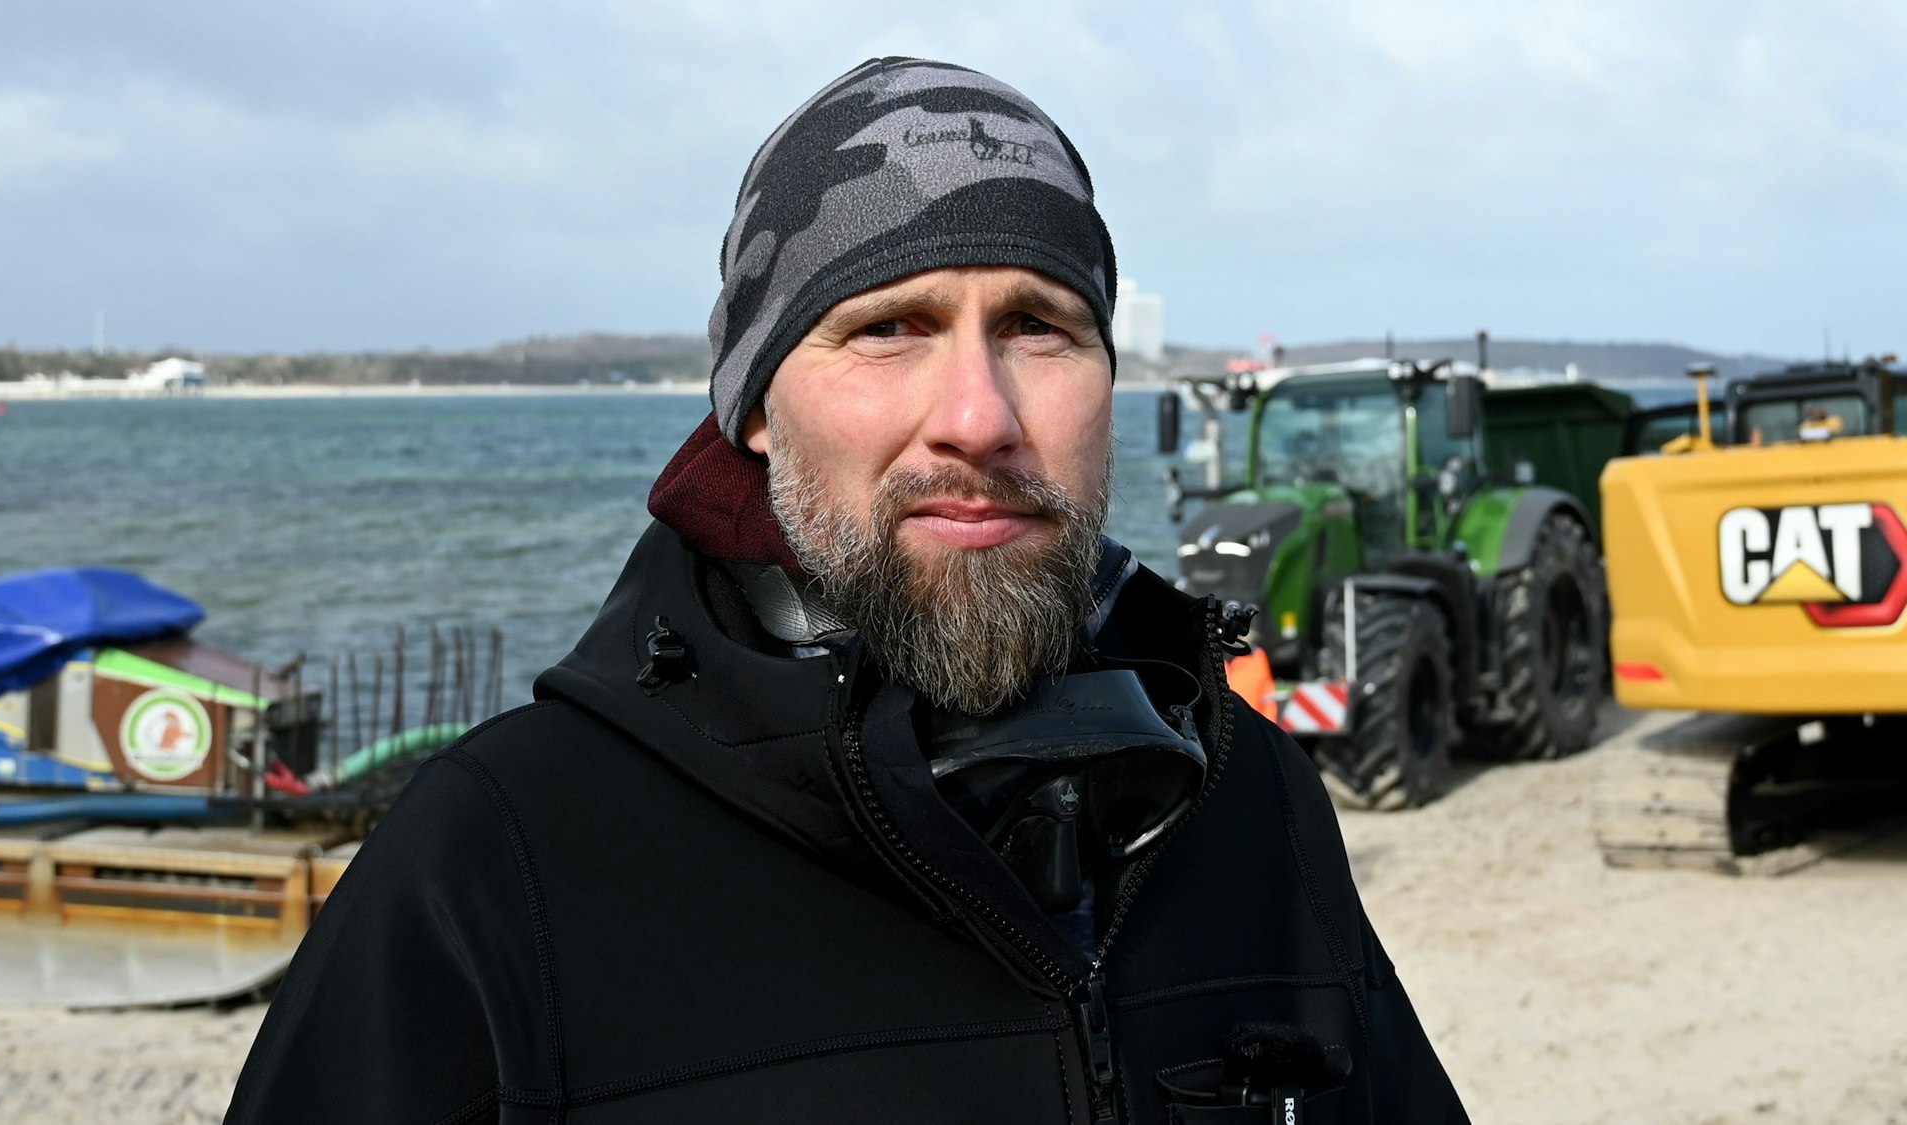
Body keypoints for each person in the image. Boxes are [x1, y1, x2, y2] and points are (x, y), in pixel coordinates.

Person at [227, 57, 1464, 1123]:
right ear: (755, 409)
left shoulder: (1248, 799)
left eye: (1039, 325)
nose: (977, 418)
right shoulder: (496, 864)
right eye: (888, 328)